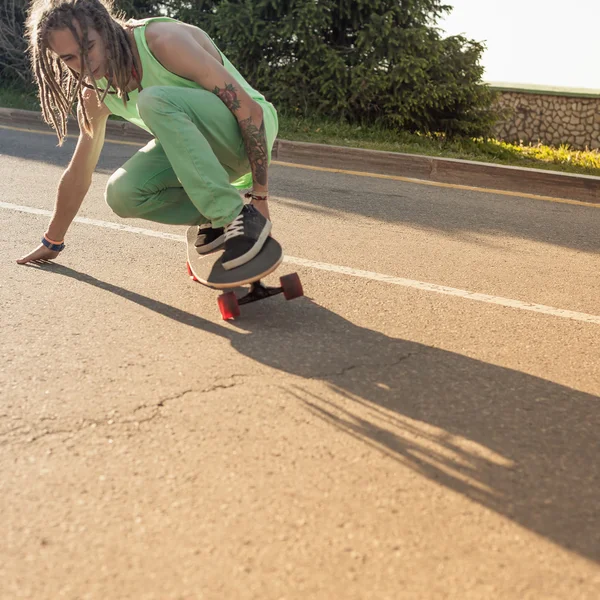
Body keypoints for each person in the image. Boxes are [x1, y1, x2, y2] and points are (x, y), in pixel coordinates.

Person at [18, 0, 277, 270]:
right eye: (69, 58)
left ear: (105, 29)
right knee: (121, 193)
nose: (84, 64)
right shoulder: (95, 93)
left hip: (247, 136)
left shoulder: (162, 41)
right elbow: (80, 171)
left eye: (88, 47)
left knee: (153, 100)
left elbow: (250, 112)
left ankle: (233, 216)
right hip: (208, 163)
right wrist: (52, 241)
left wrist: (260, 198)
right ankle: (218, 216)